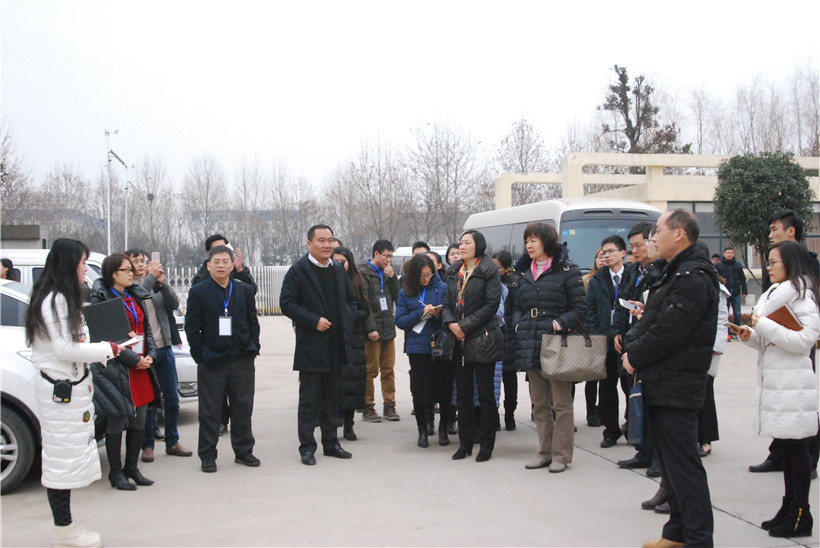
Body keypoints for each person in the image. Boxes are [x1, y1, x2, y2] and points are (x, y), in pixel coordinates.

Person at [623, 209, 717, 548]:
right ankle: (676, 533)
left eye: (657, 232)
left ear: (679, 233)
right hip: (662, 381)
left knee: (685, 468)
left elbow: (669, 331)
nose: (653, 240)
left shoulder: (693, 276)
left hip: (678, 384)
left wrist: (634, 356)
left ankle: (698, 539)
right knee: (674, 470)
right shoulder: (673, 271)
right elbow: (651, 319)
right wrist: (632, 343)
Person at [24, 239, 122, 548]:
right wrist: (108, 349)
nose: (85, 270)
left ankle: (65, 528)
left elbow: (74, 341)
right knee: (60, 463)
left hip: (69, 390)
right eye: (82, 263)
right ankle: (64, 532)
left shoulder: (61, 299)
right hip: (60, 393)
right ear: (68, 265)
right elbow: (65, 348)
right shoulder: (55, 301)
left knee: (64, 460)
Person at [735, 240, 818, 538]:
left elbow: (804, 342)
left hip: (793, 385)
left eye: (773, 262)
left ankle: (800, 513)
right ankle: (788, 508)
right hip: (777, 382)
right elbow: (769, 340)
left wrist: (764, 326)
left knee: (797, 451)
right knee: (787, 449)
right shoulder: (774, 295)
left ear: (790, 264)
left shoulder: (802, 297)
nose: (769, 267)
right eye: (767, 262)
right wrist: (751, 335)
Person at [750, 208, 820, 477]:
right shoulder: (777, 275)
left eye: (774, 229)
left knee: (798, 404)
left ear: (791, 231)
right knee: (782, 404)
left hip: (795, 345)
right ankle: (779, 454)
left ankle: (807, 458)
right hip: (775, 348)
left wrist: (765, 324)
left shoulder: (805, 269)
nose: (770, 234)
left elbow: (804, 333)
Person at [512, 223, 586, 473]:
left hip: (556, 342)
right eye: (527, 240)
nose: (529, 245)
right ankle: (544, 451)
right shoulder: (522, 272)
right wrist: (518, 325)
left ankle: (561, 455)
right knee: (539, 403)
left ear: (547, 241)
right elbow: (516, 306)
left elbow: (580, 309)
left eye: (534, 240)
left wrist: (557, 323)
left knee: (561, 403)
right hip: (530, 340)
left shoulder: (567, 270)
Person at [280, 225, 355, 465]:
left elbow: (351, 301)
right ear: (309, 243)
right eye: (321, 240)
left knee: (332, 398)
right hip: (312, 346)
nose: (327, 245)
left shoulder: (339, 271)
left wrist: (347, 320)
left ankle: (331, 443)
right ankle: (307, 447)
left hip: (336, 345)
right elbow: (287, 304)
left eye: (330, 240)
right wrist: (313, 321)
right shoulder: (298, 271)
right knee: (309, 400)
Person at [185, 245, 261, 473]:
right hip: (212, 361)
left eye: (224, 261)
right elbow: (192, 328)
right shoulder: (199, 292)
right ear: (208, 266)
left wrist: (252, 348)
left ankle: (244, 450)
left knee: (243, 407)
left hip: (241, 359)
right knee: (210, 411)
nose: (220, 265)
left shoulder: (244, 290)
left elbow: (253, 322)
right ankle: (208, 454)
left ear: (232, 265)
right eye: (215, 262)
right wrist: (201, 356)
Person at [90, 254, 160, 491]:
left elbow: (146, 329)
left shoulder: (134, 295)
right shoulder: (103, 300)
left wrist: (151, 353)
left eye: (131, 269)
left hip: (141, 365)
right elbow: (107, 338)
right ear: (112, 274)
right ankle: (116, 473)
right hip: (119, 368)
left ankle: (132, 468)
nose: (131, 273)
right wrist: (133, 360)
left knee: (140, 417)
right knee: (117, 419)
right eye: (125, 270)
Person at [124, 249, 193, 463]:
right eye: (137, 261)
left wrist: (162, 283)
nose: (143, 265)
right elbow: (138, 297)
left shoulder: (154, 283)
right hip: (145, 352)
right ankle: (147, 445)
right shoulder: (129, 289)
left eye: (145, 261)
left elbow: (173, 304)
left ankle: (172, 441)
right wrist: (151, 278)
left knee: (172, 398)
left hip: (164, 347)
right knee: (149, 401)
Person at [441, 230, 502, 462]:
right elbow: (446, 303)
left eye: (467, 242)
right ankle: (464, 444)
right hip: (458, 341)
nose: (462, 246)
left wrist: (464, 326)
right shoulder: (454, 271)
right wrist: (451, 323)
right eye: (461, 242)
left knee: (485, 395)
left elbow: (491, 305)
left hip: (482, 338)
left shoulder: (488, 270)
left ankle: (486, 445)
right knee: (463, 395)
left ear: (479, 246)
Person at [395, 254, 449, 447]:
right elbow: (400, 320)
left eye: (429, 275)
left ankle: (443, 430)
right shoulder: (405, 292)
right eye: (421, 276)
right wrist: (421, 313)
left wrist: (436, 313)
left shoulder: (442, 288)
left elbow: (450, 315)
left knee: (443, 389)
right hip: (417, 346)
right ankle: (422, 430)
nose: (426, 279)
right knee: (420, 390)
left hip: (439, 345)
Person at [586, 235, 630, 449]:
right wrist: (596, 336)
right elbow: (590, 310)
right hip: (604, 340)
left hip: (627, 341)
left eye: (610, 251)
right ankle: (610, 431)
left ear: (622, 253)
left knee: (630, 386)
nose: (606, 255)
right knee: (607, 388)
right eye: (603, 252)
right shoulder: (597, 279)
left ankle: (632, 426)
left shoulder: (633, 276)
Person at [358, 240, 401, 422]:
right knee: (370, 370)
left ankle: (389, 404)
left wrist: (392, 278)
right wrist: (371, 328)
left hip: (388, 327)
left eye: (391, 256)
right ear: (376, 254)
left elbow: (398, 297)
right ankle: (368, 406)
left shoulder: (388, 272)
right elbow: (363, 303)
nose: (388, 260)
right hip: (373, 330)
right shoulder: (363, 272)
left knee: (388, 369)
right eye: (386, 256)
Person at [332, 246, 369, 441]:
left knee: (353, 384)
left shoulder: (357, 281)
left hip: (354, 338)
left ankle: (349, 424)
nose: (339, 265)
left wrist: (349, 316)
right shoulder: (327, 280)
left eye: (342, 261)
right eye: (335, 261)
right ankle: (334, 421)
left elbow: (365, 310)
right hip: (334, 337)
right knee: (335, 384)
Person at [492, 250, 519, 431]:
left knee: (509, 377)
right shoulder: (489, 283)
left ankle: (510, 415)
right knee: (492, 379)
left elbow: (517, 309)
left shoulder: (514, 285)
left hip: (509, 335)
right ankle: (493, 415)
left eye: (498, 267)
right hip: (494, 335)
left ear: (507, 269)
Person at [714, 246, 747, 338]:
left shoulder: (738, 265)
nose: (729, 254)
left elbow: (743, 279)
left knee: (737, 314)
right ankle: (727, 333)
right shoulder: (719, 265)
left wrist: (744, 291)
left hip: (736, 292)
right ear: (724, 254)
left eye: (731, 253)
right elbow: (716, 278)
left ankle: (737, 333)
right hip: (725, 294)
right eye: (728, 253)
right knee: (725, 314)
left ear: (734, 254)